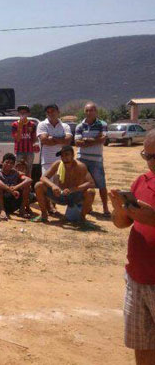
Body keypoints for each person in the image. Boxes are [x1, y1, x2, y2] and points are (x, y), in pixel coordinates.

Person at [109, 129, 155, 365]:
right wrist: (119, 209)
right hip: (137, 279)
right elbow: (121, 224)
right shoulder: (142, 181)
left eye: (153, 156)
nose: (149, 162)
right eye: (146, 156)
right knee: (143, 345)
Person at [33, 145, 95, 222]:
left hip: (74, 196)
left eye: (67, 155)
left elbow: (91, 183)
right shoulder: (58, 164)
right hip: (59, 194)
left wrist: (73, 189)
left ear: (73, 155)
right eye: (62, 155)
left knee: (91, 191)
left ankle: (82, 219)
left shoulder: (80, 166)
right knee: (38, 185)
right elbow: (43, 178)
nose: (64, 157)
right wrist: (53, 186)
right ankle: (44, 215)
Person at [75, 102, 110, 216]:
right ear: (84, 112)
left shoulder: (103, 124)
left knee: (101, 185)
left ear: (96, 111)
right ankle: (86, 206)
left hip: (96, 160)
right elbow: (77, 143)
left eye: (92, 110)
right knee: (82, 184)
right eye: (87, 110)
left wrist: (87, 140)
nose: (89, 113)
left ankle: (105, 208)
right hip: (82, 159)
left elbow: (103, 140)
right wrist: (95, 140)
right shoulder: (80, 126)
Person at [0, 153, 33, 220]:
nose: (9, 165)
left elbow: (28, 180)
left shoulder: (16, 173)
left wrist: (16, 187)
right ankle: (2, 210)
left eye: (11, 163)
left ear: (13, 165)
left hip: (13, 202)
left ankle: (22, 209)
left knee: (27, 186)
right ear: (2, 162)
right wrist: (10, 190)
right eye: (7, 162)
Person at [11, 105, 38, 176]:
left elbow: (34, 139)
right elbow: (17, 138)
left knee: (29, 169)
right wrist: (20, 126)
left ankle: (28, 185)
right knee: (17, 169)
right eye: (21, 112)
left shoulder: (32, 124)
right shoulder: (15, 124)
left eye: (24, 113)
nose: (22, 114)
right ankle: (18, 184)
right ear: (18, 114)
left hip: (29, 151)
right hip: (19, 151)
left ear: (28, 114)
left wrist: (35, 143)